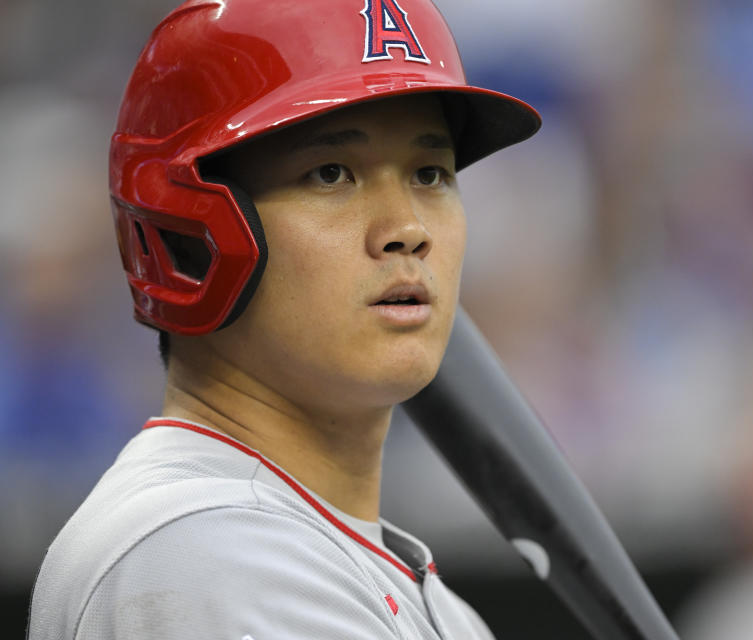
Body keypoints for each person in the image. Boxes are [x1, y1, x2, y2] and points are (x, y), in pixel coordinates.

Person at [28, 0, 539, 638]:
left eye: (429, 173)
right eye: (331, 174)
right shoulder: (199, 552)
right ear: (189, 233)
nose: (406, 229)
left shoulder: (404, 589)